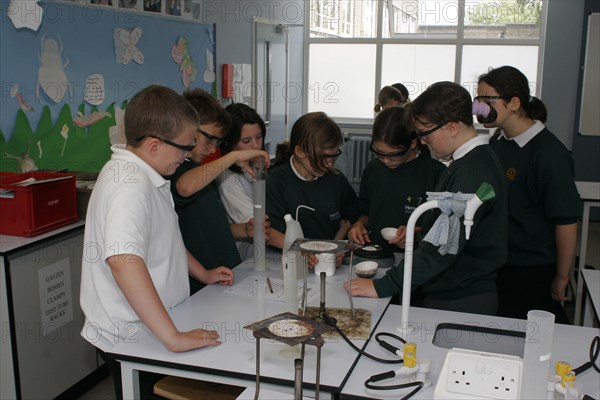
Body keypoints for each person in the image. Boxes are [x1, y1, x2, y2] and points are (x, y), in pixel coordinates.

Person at [80, 85, 234, 396]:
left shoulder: (148, 175)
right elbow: (124, 261)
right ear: (154, 145)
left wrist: (201, 273)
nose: (188, 154)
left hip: (155, 325)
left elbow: (166, 239)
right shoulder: (130, 187)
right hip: (133, 335)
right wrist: (173, 338)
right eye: (183, 147)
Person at [345, 81, 508, 316]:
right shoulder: (468, 164)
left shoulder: (472, 173)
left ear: (452, 127)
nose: (422, 141)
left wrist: (384, 285)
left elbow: (439, 249)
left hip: (461, 297)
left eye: (425, 133)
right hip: (452, 290)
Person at [477, 66, 582, 323]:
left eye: (486, 101)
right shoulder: (498, 142)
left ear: (514, 103)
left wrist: (562, 276)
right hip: (499, 261)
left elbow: (566, 221)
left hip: (530, 267)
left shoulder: (549, 154)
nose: (479, 108)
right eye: (477, 101)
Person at [170, 89, 271, 294]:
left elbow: (211, 225)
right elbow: (185, 187)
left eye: (217, 142)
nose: (212, 149)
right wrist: (232, 158)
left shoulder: (203, 173)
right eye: (209, 139)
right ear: (187, 128)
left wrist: (244, 230)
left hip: (224, 274)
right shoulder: (174, 170)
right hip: (198, 284)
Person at [348, 107, 446, 255]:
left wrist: (416, 233)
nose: (386, 161)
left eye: (393, 155)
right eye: (380, 154)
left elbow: (444, 227)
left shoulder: (435, 173)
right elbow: (365, 212)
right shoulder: (373, 169)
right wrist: (359, 225)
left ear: (413, 143)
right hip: (375, 253)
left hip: (415, 257)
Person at [267, 112, 359, 265]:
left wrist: (335, 247)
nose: (330, 163)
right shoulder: (276, 182)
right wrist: (302, 251)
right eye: (323, 157)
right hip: (286, 262)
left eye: (334, 156)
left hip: (327, 264)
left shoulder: (335, 179)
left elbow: (349, 216)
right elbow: (268, 232)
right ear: (300, 152)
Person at [217, 103, 285, 252]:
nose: (255, 145)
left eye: (259, 137)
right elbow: (258, 227)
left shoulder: (261, 165)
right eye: (246, 141)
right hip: (252, 255)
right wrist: (299, 248)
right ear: (229, 144)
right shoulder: (228, 180)